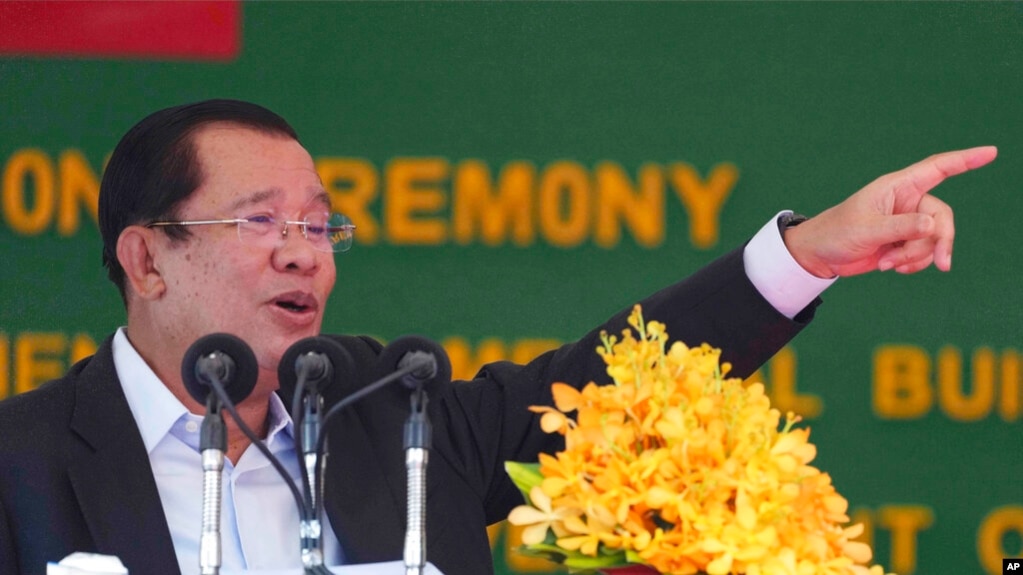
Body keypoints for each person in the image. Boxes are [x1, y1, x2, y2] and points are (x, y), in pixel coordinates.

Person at [0, 99, 997, 575]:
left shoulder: (393, 407)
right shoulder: (23, 463)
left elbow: (607, 393)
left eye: (321, 224)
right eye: (260, 222)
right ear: (147, 257)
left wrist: (810, 252)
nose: (304, 254)